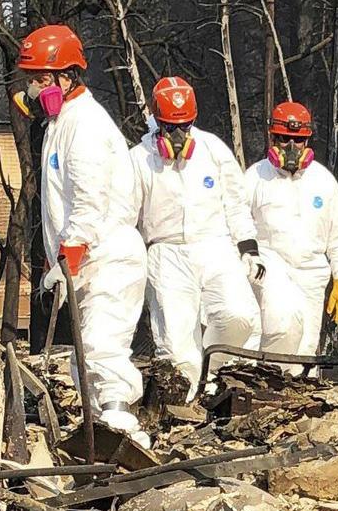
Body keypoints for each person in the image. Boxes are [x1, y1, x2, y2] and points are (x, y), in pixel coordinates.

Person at [18, 23, 147, 444]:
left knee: (101, 346)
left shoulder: (86, 125)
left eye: (39, 80)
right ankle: (98, 436)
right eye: (30, 80)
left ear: (66, 76)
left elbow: (89, 199)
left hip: (106, 255)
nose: (33, 91)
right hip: (85, 257)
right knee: (82, 355)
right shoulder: (60, 124)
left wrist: (68, 259)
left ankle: (121, 429)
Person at [130, 75, 257, 396]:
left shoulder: (213, 149)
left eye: (184, 127)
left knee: (239, 316)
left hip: (216, 246)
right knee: (177, 347)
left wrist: (247, 244)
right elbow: (124, 214)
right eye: (170, 128)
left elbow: (235, 200)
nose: (177, 136)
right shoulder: (138, 160)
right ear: (156, 122)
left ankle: (211, 374)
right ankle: (185, 410)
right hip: (165, 252)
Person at [247, 101, 338, 355]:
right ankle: (261, 382)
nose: (292, 146)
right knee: (282, 325)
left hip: (312, 277)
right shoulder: (255, 178)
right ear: (273, 137)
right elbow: (238, 226)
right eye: (284, 139)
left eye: (298, 139)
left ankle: (289, 392)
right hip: (270, 268)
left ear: (307, 141)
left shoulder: (324, 182)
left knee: (304, 350)